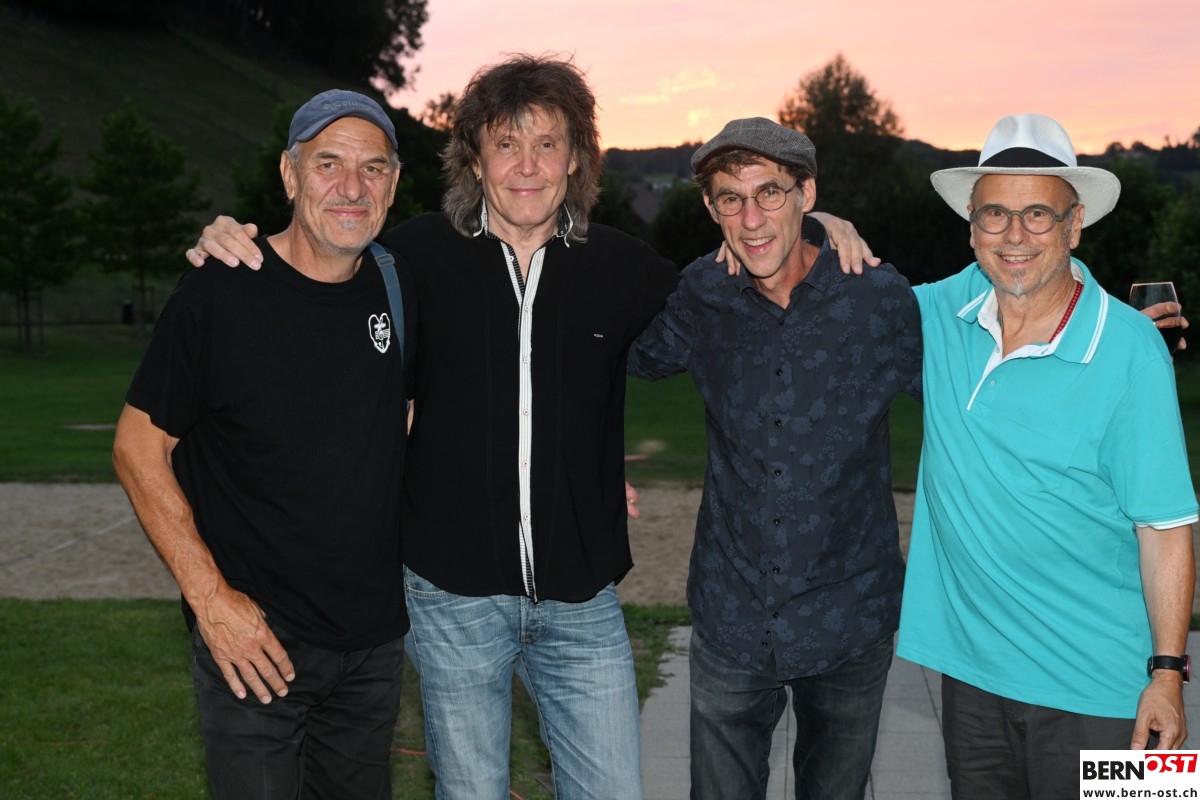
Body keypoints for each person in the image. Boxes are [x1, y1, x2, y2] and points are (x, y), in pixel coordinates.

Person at [186, 58, 874, 799]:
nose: (526, 166)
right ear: (475, 159)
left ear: (575, 159)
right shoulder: (410, 259)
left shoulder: (620, 266)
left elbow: (740, 268)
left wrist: (816, 225)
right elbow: (315, 257)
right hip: (450, 600)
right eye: (506, 145)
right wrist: (226, 237)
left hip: (582, 603)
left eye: (547, 145)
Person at [112, 89, 415, 799]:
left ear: (394, 183)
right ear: (289, 174)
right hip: (256, 644)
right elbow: (136, 448)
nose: (352, 187)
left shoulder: (400, 286)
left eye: (373, 168)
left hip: (372, 648)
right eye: (328, 163)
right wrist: (211, 601)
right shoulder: (221, 292)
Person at [895, 113, 1197, 798]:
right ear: (971, 226)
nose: (1014, 235)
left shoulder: (1132, 350)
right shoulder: (939, 313)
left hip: (1106, 686)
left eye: (1038, 214)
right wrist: (826, 228)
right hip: (973, 678)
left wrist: (1169, 676)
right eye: (995, 214)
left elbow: (1166, 527)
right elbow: (832, 295)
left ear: (1074, 225)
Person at [626, 117, 922, 800]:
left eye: (770, 192)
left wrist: (1103, 346)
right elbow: (609, 350)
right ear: (711, 209)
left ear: (806, 194)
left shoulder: (876, 298)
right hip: (732, 613)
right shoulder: (703, 295)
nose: (752, 217)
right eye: (731, 198)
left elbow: (979, 378)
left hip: (849, 613)